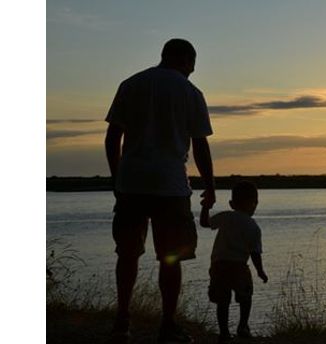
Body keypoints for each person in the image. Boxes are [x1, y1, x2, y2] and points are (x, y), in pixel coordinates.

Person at [105, 38, 216, 343]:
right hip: (170, 187)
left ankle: (122, 322)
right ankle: (167, 325)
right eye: (193, 65)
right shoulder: (191, 93)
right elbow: (200, 145)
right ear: (187, 61)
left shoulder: (131, 84)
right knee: (171, 258)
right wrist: (210, 186)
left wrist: (117, 178)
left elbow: (113, 136)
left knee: (127, 255)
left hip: (132, 184)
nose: (193, 70)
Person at [204, 181, 268, 343]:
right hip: (239, 266)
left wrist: (206, 206)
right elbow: (255, 253)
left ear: (232, 203)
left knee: (222, 301)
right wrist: (260, 271)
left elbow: (205, 223)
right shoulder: (253, 226)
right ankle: (243, 326)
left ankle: (224, 332)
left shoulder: (226, 217)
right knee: (245, 297)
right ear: (255, 204)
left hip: (219, 266)